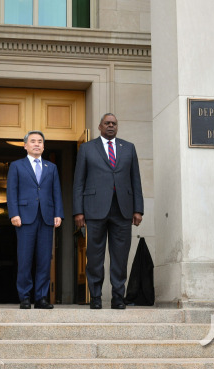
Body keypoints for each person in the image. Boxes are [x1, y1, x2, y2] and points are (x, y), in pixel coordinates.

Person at [73, 113, 143, 310]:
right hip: (94, 210)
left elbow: (135, 180)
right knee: (94, 256)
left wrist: (138, 209)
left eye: (114, 123)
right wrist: (78, 212)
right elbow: (79, 182)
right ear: (99, 126)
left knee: (120, 257)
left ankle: (118, 297)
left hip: (123, 210)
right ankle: (95, 297)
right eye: (107, 123)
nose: (111, 126)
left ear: (117, 127)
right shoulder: (86, 148)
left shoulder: (128, 148)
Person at [7, 131, 64, 309]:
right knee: (24, 259)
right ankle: (24, 296)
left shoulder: (51, 167)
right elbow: (11, 192)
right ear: (25, 145)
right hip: (24, 218)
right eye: (33, 141)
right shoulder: (17, 166)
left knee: (45, 259)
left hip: (46, 217)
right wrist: (14, 213)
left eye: (40, 142)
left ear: (44, 146)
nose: (37, 144)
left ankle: (41, 297)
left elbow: (56, 192)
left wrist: (58, 214)